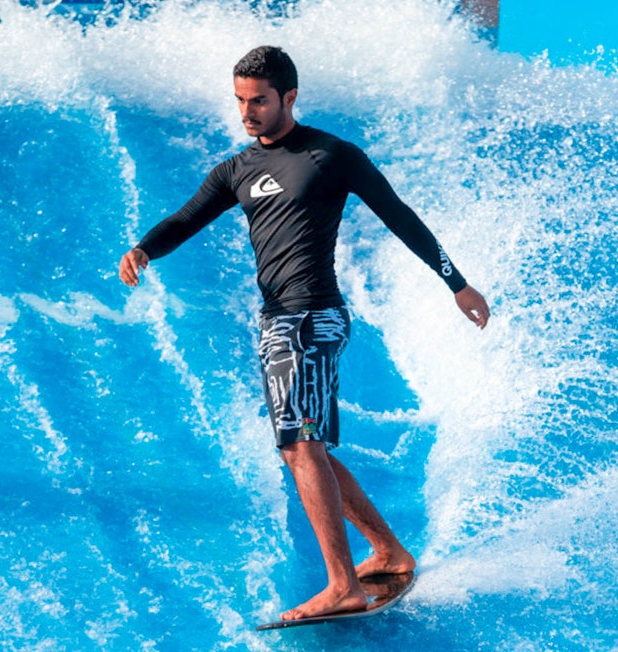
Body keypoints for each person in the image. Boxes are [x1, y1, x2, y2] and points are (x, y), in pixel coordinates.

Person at [119, 46, 490, 621]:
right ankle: (388, 552)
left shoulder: (331, 155)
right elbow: (187, 217)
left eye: (259, 101)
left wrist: (457, 284)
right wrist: (145, 248)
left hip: (312, 317)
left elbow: (400, 217)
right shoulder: (237, 170)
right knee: (304, 449)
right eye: (240, 100)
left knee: (300, 444)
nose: (247, 112)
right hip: (277, 322)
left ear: (289, 97)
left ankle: (342, 584)